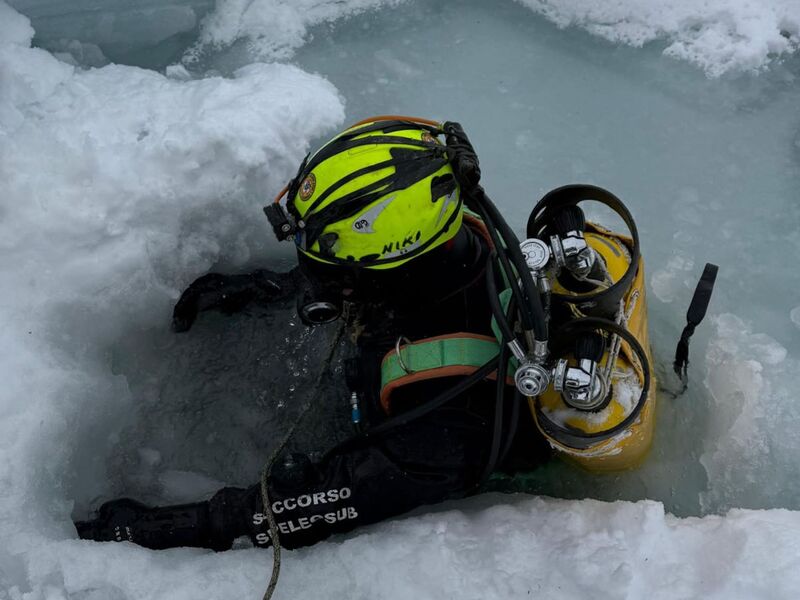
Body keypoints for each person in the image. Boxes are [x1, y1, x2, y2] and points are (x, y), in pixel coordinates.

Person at [75, 116, 651, 552]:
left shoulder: (444, 422)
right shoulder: (456, 239)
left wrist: (185, 524)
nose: (313, 275)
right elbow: (362, 280)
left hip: (440, 445)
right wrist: (265, 289)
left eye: (326, 267)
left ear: (390, 266)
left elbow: (326, 499)